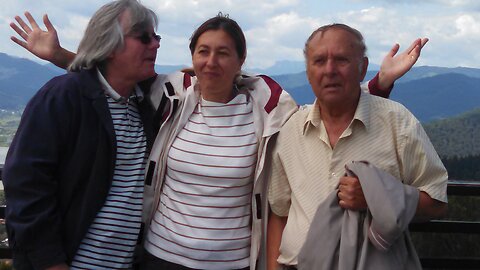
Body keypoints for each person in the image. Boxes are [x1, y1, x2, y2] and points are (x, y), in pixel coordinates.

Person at [10, 10, 427, 270]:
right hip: (159, 257)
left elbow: (321, 113)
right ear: (191, 57)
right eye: (203, 50)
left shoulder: (268, 105)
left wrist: (379, 83)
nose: (212, 61)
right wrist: (60, 56)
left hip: (231, 261)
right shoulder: (169, 95)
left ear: (241, 60)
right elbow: (114, 74)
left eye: (224, 52)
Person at [266, 23, 448, 270]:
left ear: (362, 68)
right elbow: (279, 212)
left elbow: (436, 200)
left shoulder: (397, 122)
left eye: (341, 60)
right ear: (308, 72)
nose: (329, 70)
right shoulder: (291, 131)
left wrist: (378, 198)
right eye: (319, 61)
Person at [3, 0, 160, 269]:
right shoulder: (63, 96)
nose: (155, 44)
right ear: (110, 44)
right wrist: (50, 263)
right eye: (144, 37)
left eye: (156, 37)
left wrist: (58, 54)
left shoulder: (148, 104)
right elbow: (26, 185)